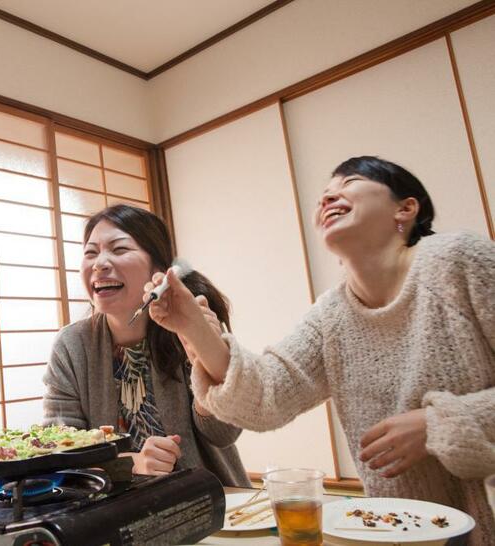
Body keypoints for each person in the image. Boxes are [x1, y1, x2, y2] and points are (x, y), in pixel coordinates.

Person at [146, 156, 494, 544]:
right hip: (401, 533)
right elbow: (265, 397)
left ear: (406, 208)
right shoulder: (332, 314)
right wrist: (192, 326)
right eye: (324, 192)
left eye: (350, 181)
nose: (329, 195)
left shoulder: (460, 262)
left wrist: (437, 424)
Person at [43, 205, 250, 486]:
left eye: (118, 249)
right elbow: (60, 447)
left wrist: (204, 359)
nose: (99, 263)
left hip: (209, 501)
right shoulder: (71, 345)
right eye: (90, 253)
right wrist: (131, 463)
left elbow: (223, 434)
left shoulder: (188, 322)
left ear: (159, 270)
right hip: (111, 512)